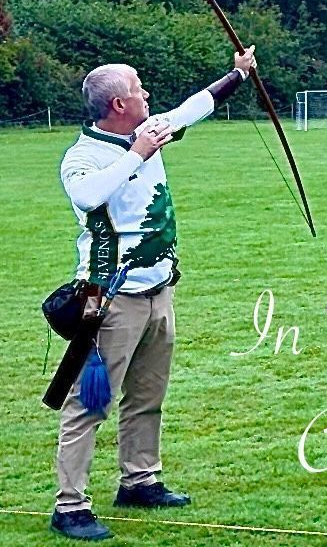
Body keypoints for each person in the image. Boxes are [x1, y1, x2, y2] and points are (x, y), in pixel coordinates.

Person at [50, 47, 256, 541]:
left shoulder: (149, 129)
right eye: (138, 88)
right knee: (89, 404)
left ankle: (140, 480)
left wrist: (237, 74)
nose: (146, 94)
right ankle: (70, 505)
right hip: (106, 299)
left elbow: (192, 108)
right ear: (119, 105)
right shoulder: (83, 156)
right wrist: (138, 153)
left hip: (158, 292)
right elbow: (87, 196)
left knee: (147, 396)